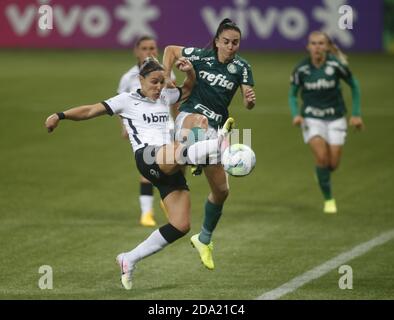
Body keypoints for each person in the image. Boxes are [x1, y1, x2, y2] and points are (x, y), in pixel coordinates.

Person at [45, 57, 234, 290]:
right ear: (140, 80)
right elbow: (90, 110)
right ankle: (217, 146)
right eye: (154, 81)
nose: (158, 87)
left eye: (162, 82)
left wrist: (190, 73)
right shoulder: (126, 100)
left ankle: (129, 258)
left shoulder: (166, 95)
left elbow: (187, 90)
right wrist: (60, 115)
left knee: (181, 224)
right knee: (182, 147)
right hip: (148, 157)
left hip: (170, 160)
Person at [162, 18, 256, 270]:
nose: (231, 46)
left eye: (235, 42)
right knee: (199, 121)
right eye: (226, 41)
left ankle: (204, 239)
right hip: (190, 115)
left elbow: (248, 102)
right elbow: (170, 49)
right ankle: (194, 156)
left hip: (216, 129)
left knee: (222, 191)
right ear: (216, 42)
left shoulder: (242, 67)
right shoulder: (200, 56)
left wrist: (249, 99)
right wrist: (167, 74)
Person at [288, 31, 364, 214]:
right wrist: (296, 114)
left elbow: (354, 85)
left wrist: (356, 114)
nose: (317, 47)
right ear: (308, 46)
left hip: (336, 117)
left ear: (328, 47)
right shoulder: (301, 69)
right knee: (321, 158)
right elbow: (292, 94)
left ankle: (321, 173)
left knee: (333, 164)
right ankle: (329, 200)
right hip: (312, 118)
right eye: (313, 43)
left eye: (321, 43)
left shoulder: (336, 65)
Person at [117, 36, 177, 227]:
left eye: (152, 48)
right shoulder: (128, 77)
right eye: (144, 48)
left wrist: (177, 123)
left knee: (175, 166)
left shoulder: (166, 73)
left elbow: (173, 101)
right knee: (148, 168)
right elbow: (120, 104)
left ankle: (166, 200)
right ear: (136, 51)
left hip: (165, 126)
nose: (149, 52)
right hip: (143, 130)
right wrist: (124, 126)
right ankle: (147, 213)